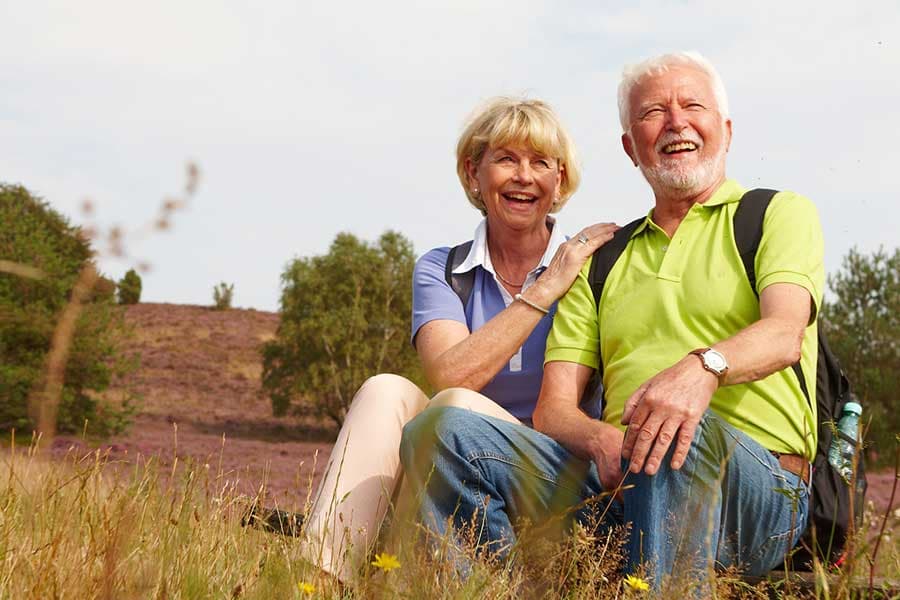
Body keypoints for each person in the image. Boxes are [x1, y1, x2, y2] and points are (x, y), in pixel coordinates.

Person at [400, 51, 823, 589]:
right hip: (621, 479)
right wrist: (600, 440)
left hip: (755, 494)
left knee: (674, 432)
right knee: (442, 432)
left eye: (693, 105)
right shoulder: (603, 257)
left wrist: (701, 368)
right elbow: (553, 410)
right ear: (630, 147)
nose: (675, 122)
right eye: (653, 113)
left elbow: (786, 334)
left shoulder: (775, 214)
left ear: (726, 129)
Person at [295, 97, 619, 582]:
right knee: (389, 390)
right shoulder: (442, 269)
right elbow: (450, 372)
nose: (523, 176)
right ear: (474, 172)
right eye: (506, 159)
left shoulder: (595, 266)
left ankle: (398, 583)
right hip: (454, 450)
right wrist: (546, 286)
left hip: (554, 472)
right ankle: (321, 578)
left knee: (454, 409)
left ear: (560, 181)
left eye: (540, 163)